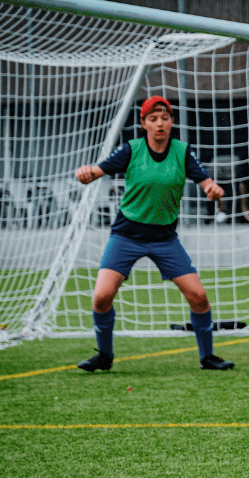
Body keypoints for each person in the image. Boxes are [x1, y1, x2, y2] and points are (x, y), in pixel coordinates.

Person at [74, 96, 235, 372]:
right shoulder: (131, 150)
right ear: (143, 123)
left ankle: (208, 357)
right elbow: (97, 171)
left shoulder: (182, 152)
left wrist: (214, 189)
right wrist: (86, 173)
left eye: (165, 118)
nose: (159, 123)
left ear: (171, 122)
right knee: (101, 297)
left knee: (199, 297)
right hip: (126, 236)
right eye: (153, 119)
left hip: (165, 240)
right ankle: (104, 356)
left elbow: (207, 182)